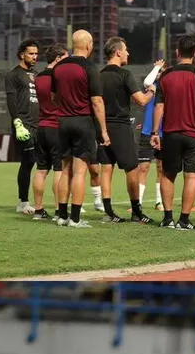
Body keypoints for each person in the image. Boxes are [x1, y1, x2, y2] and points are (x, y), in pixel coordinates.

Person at [152, 34, 195, 230]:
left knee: (167, 174)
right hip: (194, 134)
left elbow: (159, 106)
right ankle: (184, 220)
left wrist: (155, 132)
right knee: (192, 176)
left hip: (171, 133)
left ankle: (167, 218)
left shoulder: (166, 75)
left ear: (177, 52)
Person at [51, 30, 110, 228]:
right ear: (89, 45)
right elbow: (97, 101)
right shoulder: (89, 67)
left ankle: (61, 216)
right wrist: (103, 130)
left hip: (62, 122)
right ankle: (75, 219)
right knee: (79, 172)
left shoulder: (58, 67)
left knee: (65, 170)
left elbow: (53, 97)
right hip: (83, 122)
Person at [98, 37, 157, 224]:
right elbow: (141, 100)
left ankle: (108, 212)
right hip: (120, 126)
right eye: (126, 50)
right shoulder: (124, 74)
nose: (128, 53)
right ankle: (137, 211)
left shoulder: (98, 75)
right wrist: (152, 91)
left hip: (102, 127)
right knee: (132, 168)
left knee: (106, 168)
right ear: (117, 52)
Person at [33, 43, 68, 221]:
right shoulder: (58, 78)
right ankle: (58, 210)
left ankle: (38, 211)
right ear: (58, 58)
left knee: (40, 170)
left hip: (42, 126)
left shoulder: (38, 78)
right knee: (59, 170)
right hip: (56, 126)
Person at [5, 39, 39, 215]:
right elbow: (11, 101)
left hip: (38, 124)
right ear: (22, 54)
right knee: (28, 162)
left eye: (36, 54)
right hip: (24, 125)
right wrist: (17, 122)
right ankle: (23, 202)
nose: (34, 57)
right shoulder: (13, 75)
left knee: (42, 163)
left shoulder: (36, 74)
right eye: (31, 53)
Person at [137, 62, 165, 209]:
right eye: (158, 72)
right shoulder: (151, 87)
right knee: (143, 167)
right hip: (147, 132)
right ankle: (138, 202)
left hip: (163, 133)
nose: (160, 74)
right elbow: (147, 81)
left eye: (162, 72)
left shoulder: (168, 89)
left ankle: (159, 201)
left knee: (161, 168)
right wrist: (156, 68)